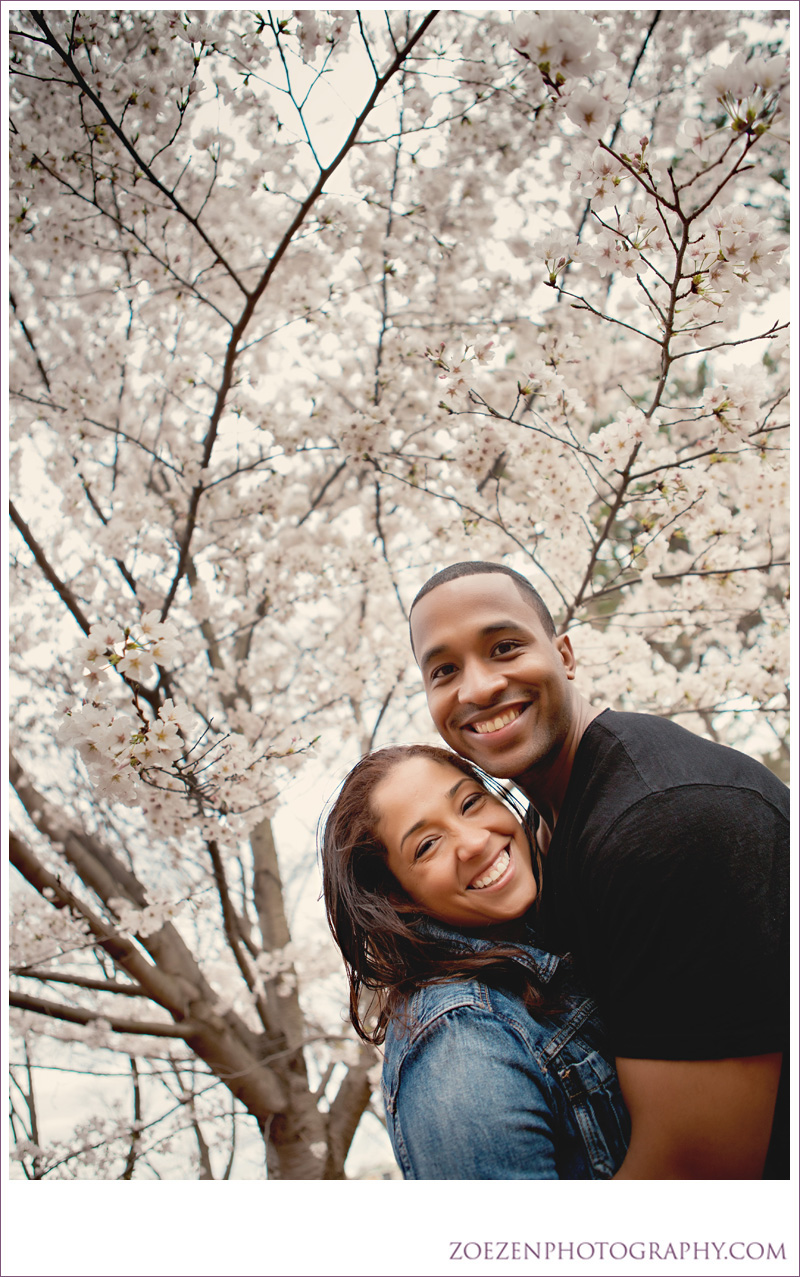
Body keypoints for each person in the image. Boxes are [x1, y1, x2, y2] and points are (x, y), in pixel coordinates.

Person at [408, 560, 789, 1179]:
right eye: (444, 670)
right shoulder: (542, 832)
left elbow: (695, 1179)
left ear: (564, 654)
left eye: (504, 647)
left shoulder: (666, 824)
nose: (476, 688)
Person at [320, 743, 631, 1179]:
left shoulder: (567, 918)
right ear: (397, 897)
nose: (475, 841)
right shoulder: (460, 1043)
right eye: (427, 846)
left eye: (470, 803)